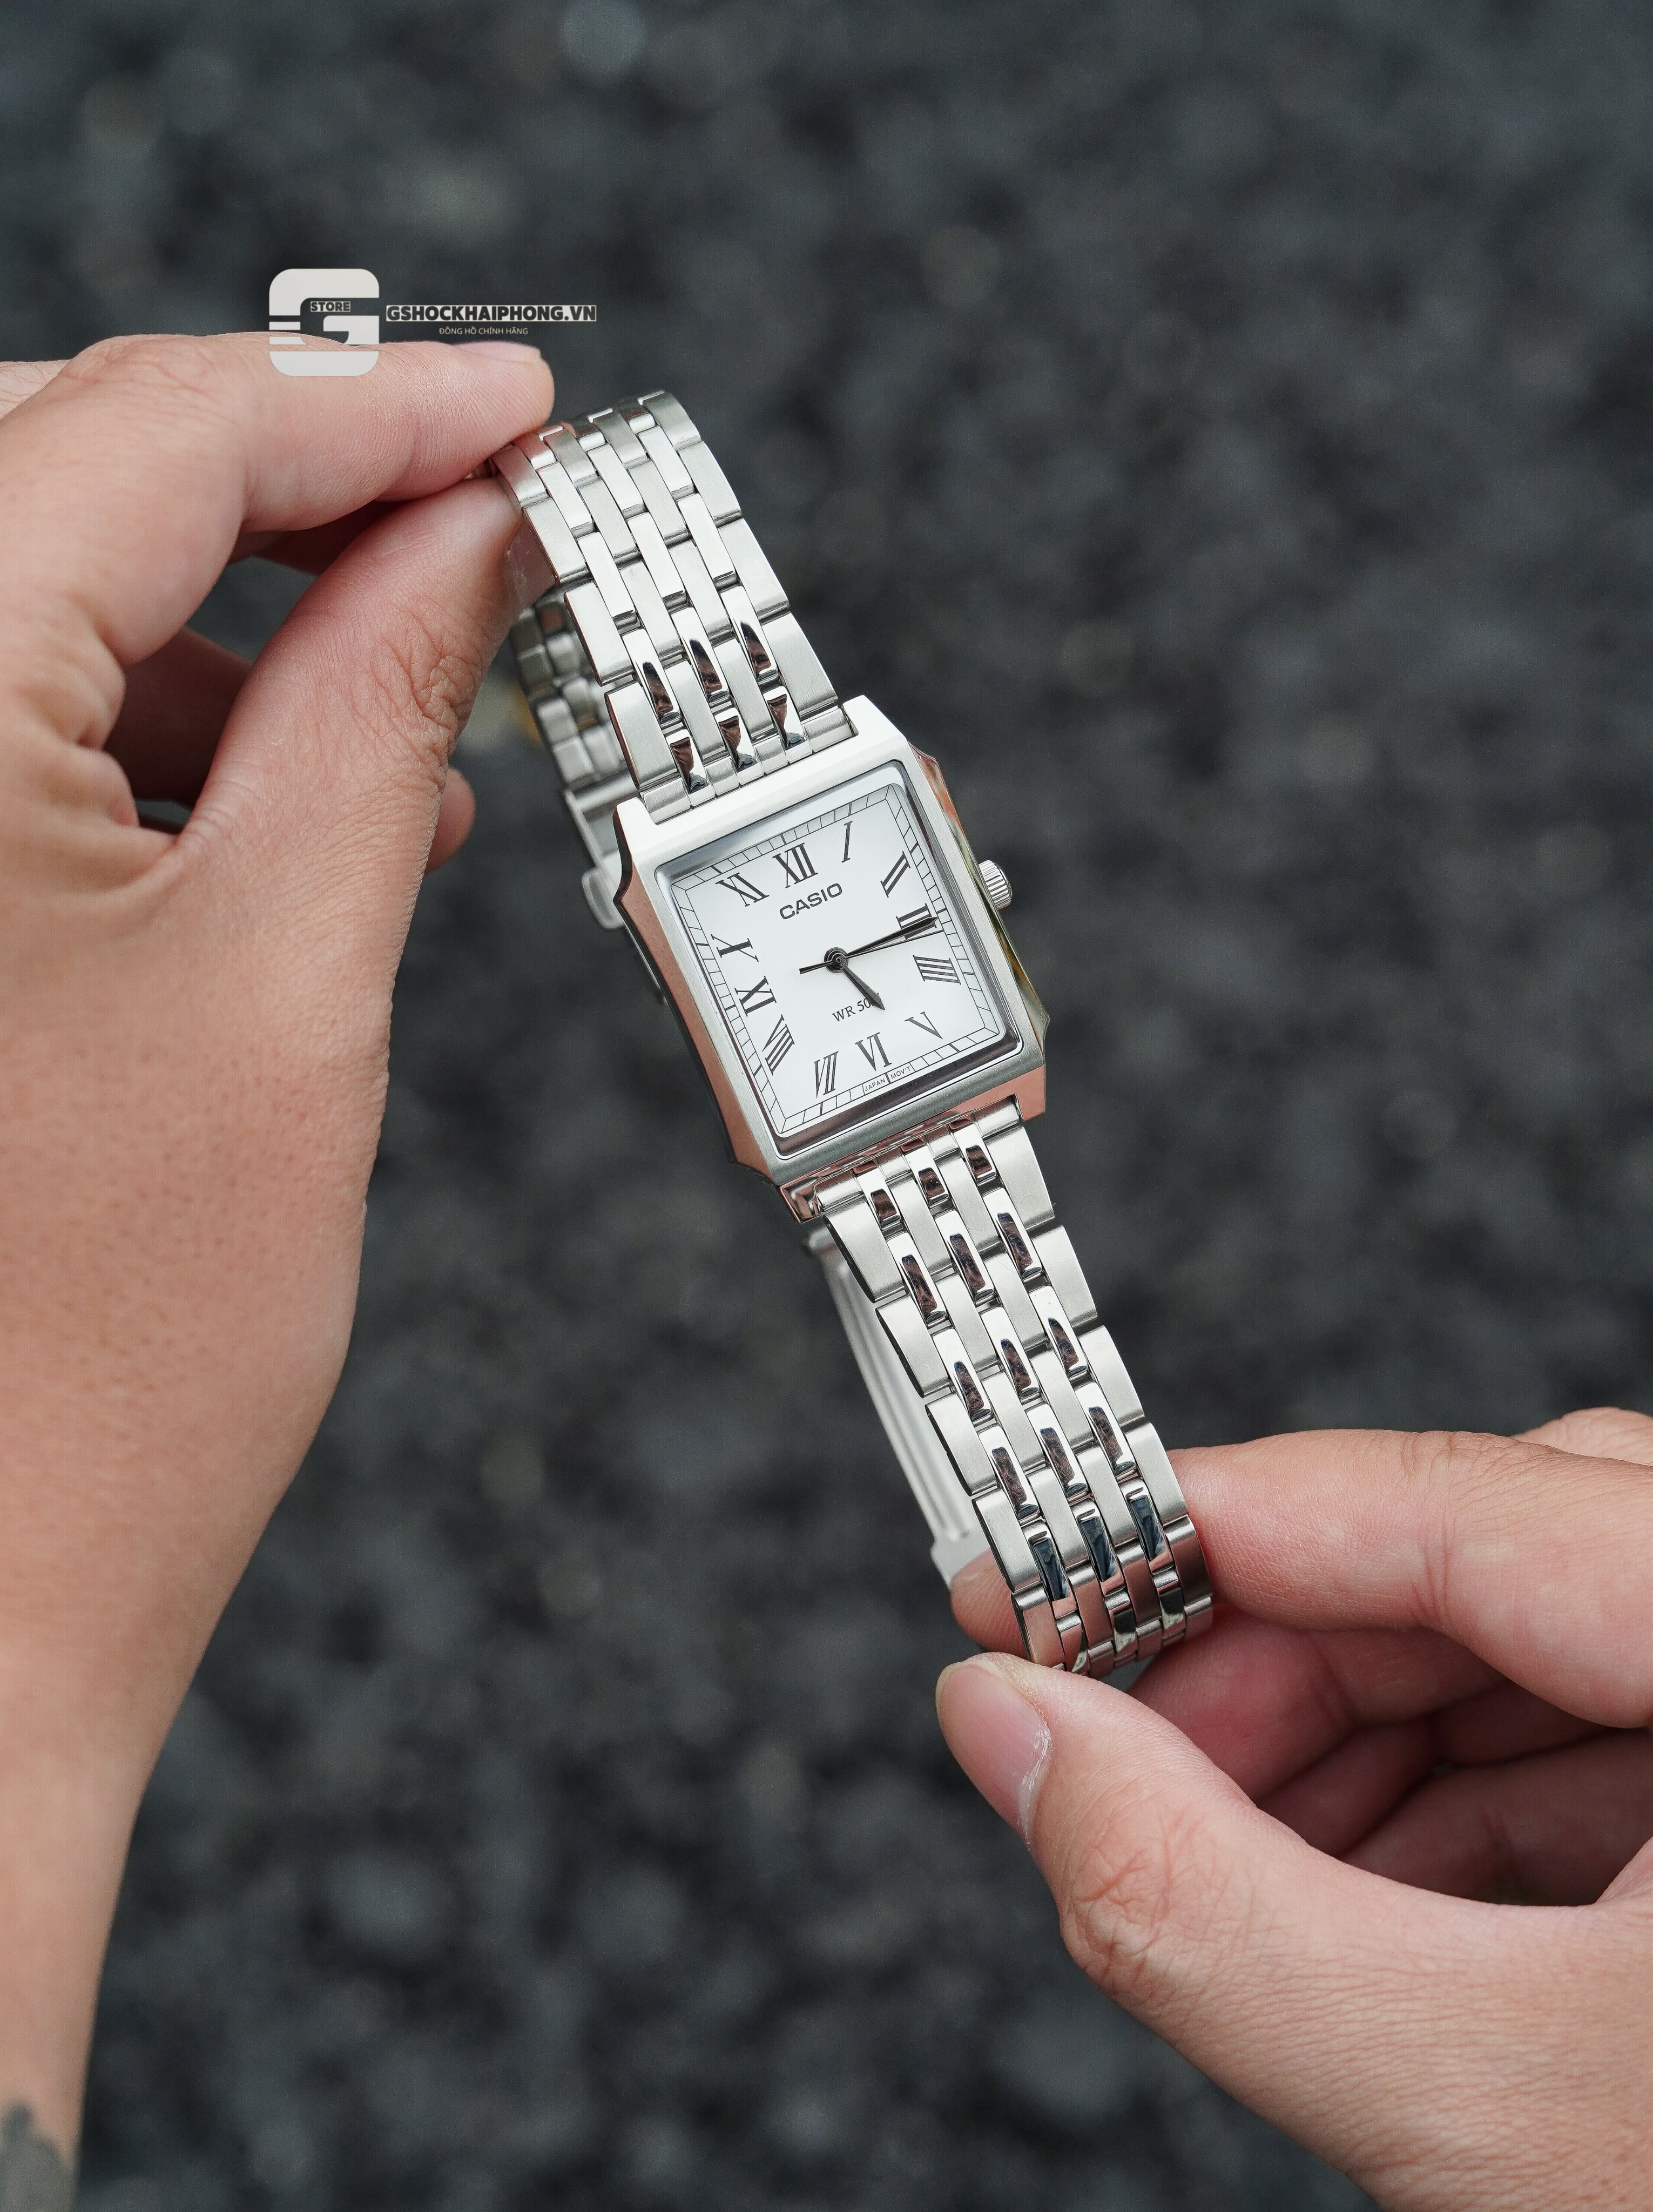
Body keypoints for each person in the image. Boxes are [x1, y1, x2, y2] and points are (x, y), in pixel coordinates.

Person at [0, 333, 1647, 2211]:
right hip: (887, 1120)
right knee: (996, 1347)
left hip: (917, 1107)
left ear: (951, 872)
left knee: (1009, 1362)